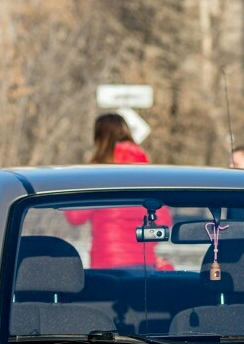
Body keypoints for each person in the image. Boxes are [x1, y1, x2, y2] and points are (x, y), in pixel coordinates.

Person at [65, 114, 171, 269]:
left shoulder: (98, 173)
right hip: (144, 263)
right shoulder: (147, 172)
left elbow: (74, 215)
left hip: (107, 261)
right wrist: (141, 245)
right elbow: (163, 222)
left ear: (100, 139)